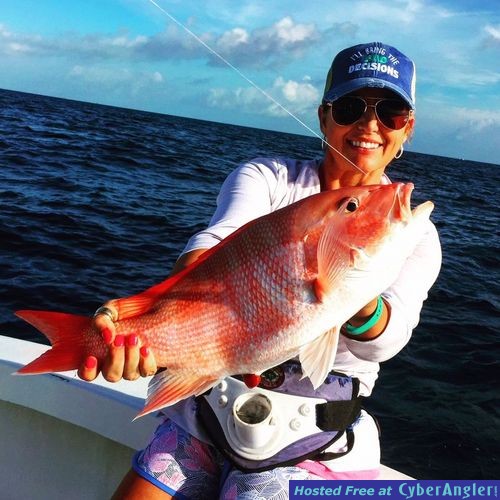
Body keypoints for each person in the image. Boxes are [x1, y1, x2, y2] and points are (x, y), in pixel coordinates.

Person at [79, 41, 441, 499]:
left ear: (407, 128)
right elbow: (212, 246)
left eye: (390, 112)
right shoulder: (267, 177)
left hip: (314, 440)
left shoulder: (416, 234)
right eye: (351, 107)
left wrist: (351, 291)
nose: (369, 125)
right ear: (324, 116)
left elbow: (387, 341)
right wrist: (135, 324)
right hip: (209, 407)